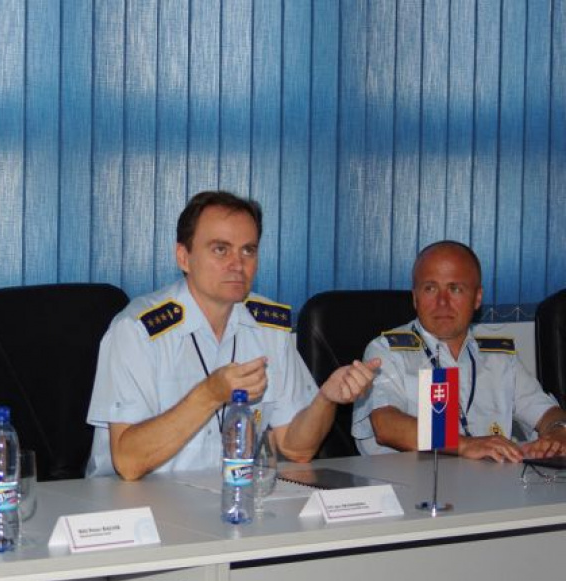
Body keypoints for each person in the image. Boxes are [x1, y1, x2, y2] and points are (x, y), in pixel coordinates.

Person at [86, 191, 379, 480]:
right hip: (138, 502)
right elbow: (128, 462)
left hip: (233, 495)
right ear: (184, 258)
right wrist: (209, 394)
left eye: (248, 250)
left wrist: (326, 399)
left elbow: (295, 448)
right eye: (220, 249)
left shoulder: (269, 328)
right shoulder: (138, 330)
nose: (238, 264)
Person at [352, 240, 566, 461]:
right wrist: (465, 445)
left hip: (490, 478)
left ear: (477, 298)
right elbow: (385, 425)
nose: (442, 302)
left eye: (455, 289)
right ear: (415, 298)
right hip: (407, 479)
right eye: (430, 288)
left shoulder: (499, 357)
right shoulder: (387, 351)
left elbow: (547, 413)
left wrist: (558, 432)